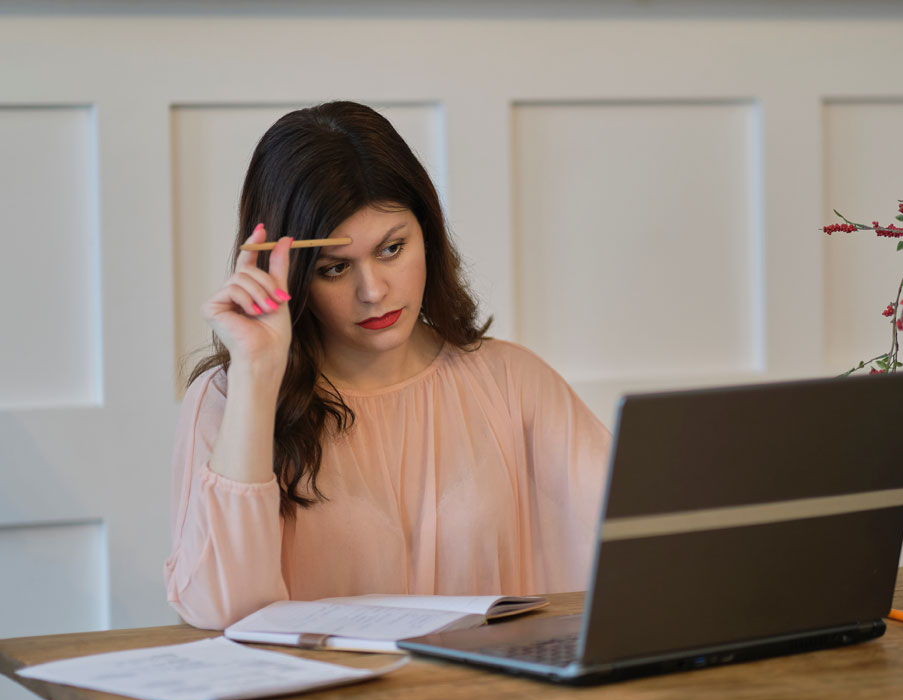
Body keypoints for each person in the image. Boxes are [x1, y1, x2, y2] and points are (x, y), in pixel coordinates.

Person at [164, 102, 611, 630]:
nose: (372, 291)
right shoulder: (228, 401)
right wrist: (258, 376)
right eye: (334, 268)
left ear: (429, 234)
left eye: (392, 249)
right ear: (287, 273)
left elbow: (641, 536)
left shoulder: (513, 382)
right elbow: (223, 611)